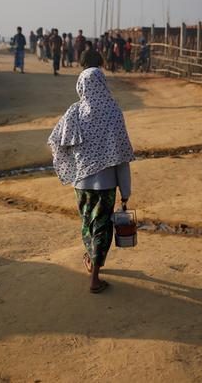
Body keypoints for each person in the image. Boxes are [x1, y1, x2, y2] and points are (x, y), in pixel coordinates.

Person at [47, 67, 134, 293]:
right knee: (102, 228)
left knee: (88, 223)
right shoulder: (113, 111)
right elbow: (122, 156)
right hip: (106, 184)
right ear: (103, 84)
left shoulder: (74, 112)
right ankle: (95, 277)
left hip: (82, 184)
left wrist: (77, 162)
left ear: (81, 86)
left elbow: (56, 141)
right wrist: (125, 190)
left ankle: (91, 259)